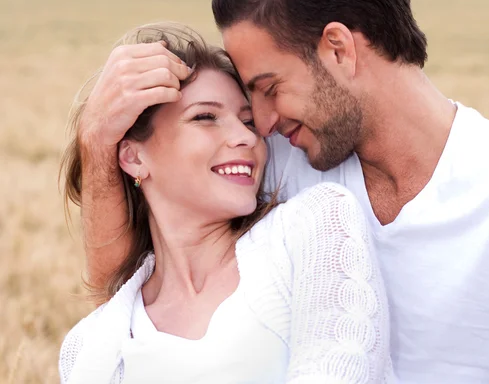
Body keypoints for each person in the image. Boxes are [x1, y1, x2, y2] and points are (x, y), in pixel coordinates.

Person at [74, 0, 489, 384]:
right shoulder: (279, 158)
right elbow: (124, 299)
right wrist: (97, 141)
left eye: (270, 88)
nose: (261, 123)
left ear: (339, 49)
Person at [59, 23, 392, 384]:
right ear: (134, 158)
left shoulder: (312, 228)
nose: (245, 137)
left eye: (248, 122)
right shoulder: (89, 346)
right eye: (205, 117)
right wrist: (94, 139)